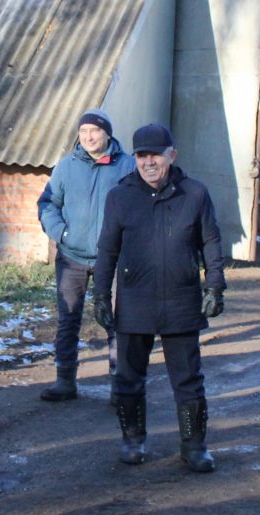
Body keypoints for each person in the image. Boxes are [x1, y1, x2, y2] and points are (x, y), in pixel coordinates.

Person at [92, 123, 226, 473]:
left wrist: (215, 285)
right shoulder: (119, 197)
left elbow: (210, 241)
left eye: (155, 155)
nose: (148, 162)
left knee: (188, 379)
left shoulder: (194, 194)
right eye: (141, 156)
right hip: (135, 301)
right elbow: (106, 250)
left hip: (181, 301)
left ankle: (194, 446)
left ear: (172, 155)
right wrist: (101, 295)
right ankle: (133, 440)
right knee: (128, 377)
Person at [34, 109, 135, 401]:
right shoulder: (66, 167)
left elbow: (139, 207)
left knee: (118, 321)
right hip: (72, 257)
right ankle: (65, 380)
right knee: (68, 318)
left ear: (107, 133)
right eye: (83, 132)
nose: (89, 137)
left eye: (95, 131)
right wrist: (62, 234)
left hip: (114, 258)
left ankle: (120, 386)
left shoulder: (127, 167)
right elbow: (47, 203)